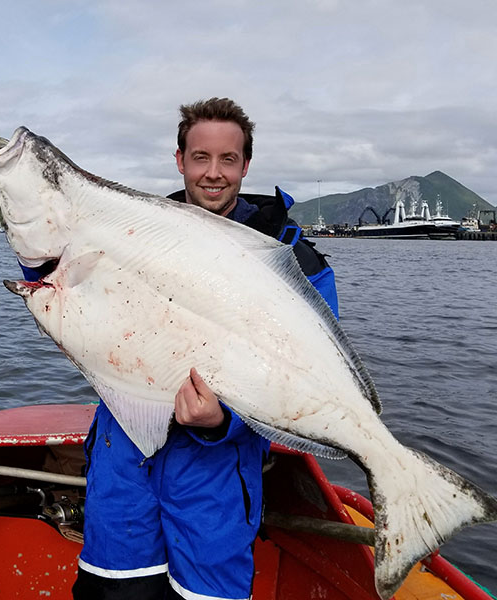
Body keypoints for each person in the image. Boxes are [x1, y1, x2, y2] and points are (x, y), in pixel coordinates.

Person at [71, 98, 339, 600]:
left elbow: (312, 378)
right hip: (122, 478)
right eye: (200, 158)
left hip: (216, 492)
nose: (213, 174)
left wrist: (225, 421)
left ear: (245, 165)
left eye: (228, 159)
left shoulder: (295, 260)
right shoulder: (129, 237)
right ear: (179, 160)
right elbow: (68, 298)